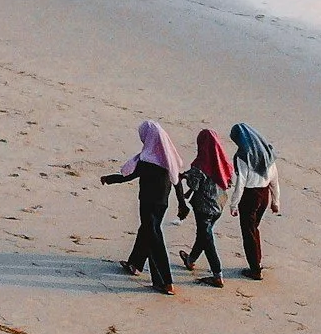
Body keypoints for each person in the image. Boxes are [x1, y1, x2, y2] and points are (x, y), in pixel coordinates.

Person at [100, 121, 180, 292]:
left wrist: (109, 179)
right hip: (163, 202)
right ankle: (135, 264)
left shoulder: (147, 160)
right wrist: (182, 204)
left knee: (154, 236)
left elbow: (129, 176)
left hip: (148, 202)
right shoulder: (168, 158)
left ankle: (165, 281)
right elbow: (176, 180)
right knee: (147, 230)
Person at [178, 128, 236, 285]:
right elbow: (229, 181)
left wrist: (186, 176)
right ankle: (190, 259)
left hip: (204, 207)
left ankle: (217, 274)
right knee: (204, 234)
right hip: (219, 205)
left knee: (207, 237)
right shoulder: (223, 162)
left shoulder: (200, 164)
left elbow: (194, 185)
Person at [228, 122, 280, 279]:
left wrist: (234, 203)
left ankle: (255, 269)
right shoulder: (267, 153)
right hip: (264, 195)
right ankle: (257, 261)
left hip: (249, 197)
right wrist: (275, 201)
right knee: (254, 229)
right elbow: (274, 179)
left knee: (248, 231)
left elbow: (241, 182)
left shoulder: (243, 156)